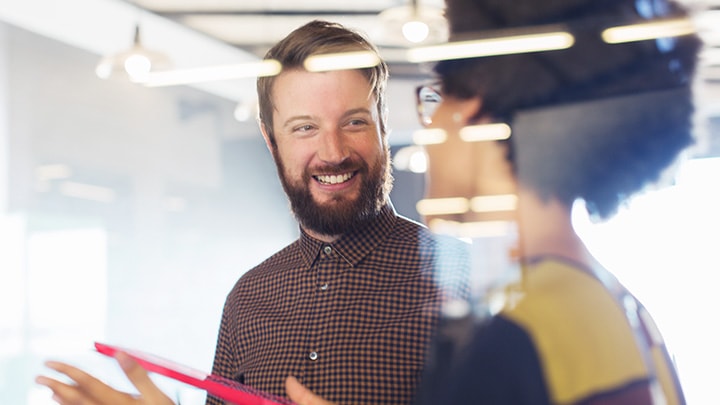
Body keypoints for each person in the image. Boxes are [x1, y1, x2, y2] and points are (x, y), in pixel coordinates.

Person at [286, 0, 703, 404]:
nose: (430, 134)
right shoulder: (617, 304)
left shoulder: (516, 333)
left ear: (470, 111)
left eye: (436, 102)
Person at [35, 20, 470, 405]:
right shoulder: (248, 298)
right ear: (271, 140)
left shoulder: (466, 279)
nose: (333, 152)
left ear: (383, 124)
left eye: (354, 122)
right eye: (305, 128)